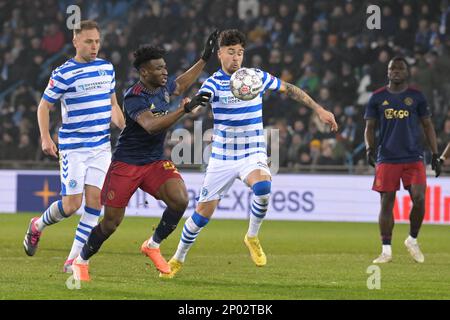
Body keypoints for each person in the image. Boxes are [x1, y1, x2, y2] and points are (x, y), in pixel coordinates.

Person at [162, 29, 338, 279]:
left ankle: (252, 236)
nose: (236, 57)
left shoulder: (256, 77)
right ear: (220, 53)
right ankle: (178, 258)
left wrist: (318, 109)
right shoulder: (213, 82)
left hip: (251, 152)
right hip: (222, 157)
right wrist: (189, 107)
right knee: (202, 215)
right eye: (231, 52)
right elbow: (198, 106)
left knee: (263, 186)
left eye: (240, 53)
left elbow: (288, 88)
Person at [71, 30, 219, 282]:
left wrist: (205, 58)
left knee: (180, 200)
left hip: (153, 162)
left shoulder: (162, 88)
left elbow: (181, 83)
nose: (165, 72)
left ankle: (152, 244)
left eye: (165, 67)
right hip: (126, 165)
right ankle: (81, 259)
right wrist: (184, 109)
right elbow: (151, 126)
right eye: (159, 69)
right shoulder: (134, 96)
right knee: (110, 223)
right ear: (144, 72)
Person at [23, 21, 126, 274]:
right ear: (76, 42)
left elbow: (112, 102)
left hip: (101, 146)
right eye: (89, 41)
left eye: (97, 41)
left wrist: (123, 123)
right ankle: (37, 226)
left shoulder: (106, 68)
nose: (94, 46)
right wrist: (45, 138)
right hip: (74, 148)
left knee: (94, 204)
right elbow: (43, 106)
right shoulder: (63, 73)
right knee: (70, 206)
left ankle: (73, 260)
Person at [364, 56, 441, 264]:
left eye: (400, 68)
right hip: (387, 157)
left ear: (407, 72)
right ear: (388, 72)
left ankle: (412, 239)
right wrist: (370, 149)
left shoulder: (416, 97)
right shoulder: (377, 98)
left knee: (420, 198)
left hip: (413, 155)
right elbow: (369, 127)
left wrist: (435, 153)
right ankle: (386, 250)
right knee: (387, 202)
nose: (396, 71)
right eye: (392, 68)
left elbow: (427, 125)